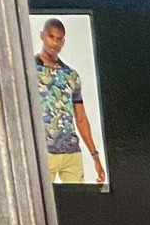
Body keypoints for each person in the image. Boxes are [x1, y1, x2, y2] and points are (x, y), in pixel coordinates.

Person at [34, 18, 106, 186]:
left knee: (77, 199)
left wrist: (95, 156)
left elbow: (80, 118)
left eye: (59, 39)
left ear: (63, 42)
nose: (54, 43)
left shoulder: (70, 76)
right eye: (51, 37)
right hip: (42, 152)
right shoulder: (29, 69)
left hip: (71, 152)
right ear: (42, 36)